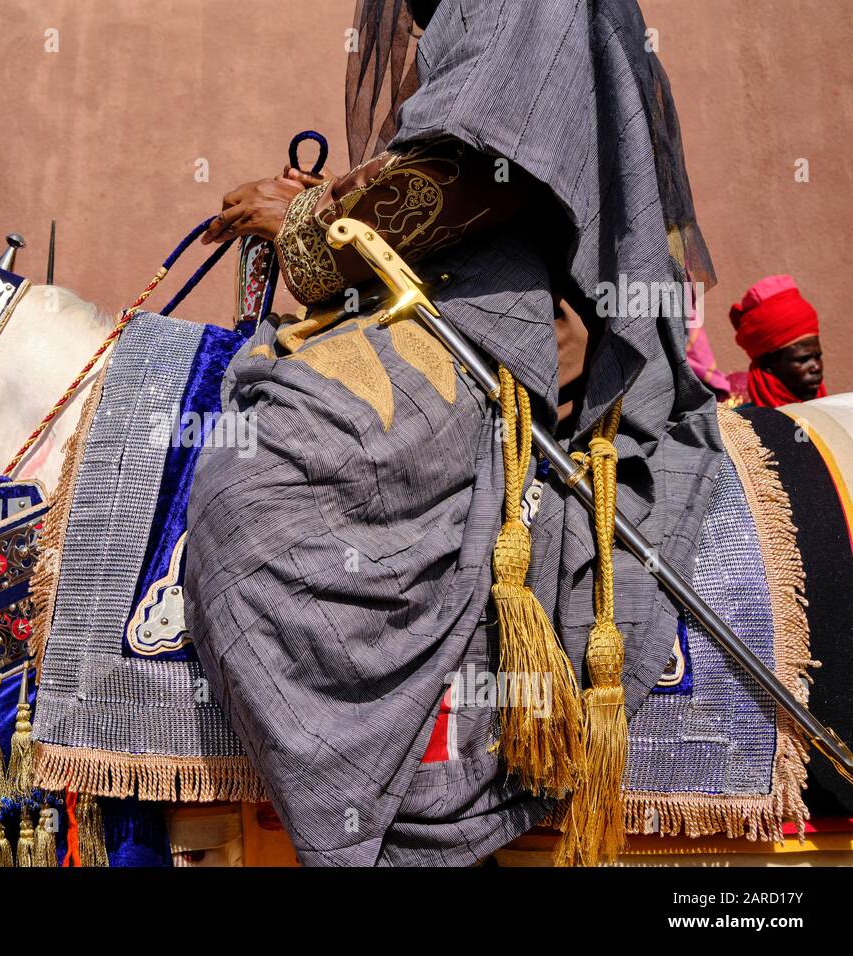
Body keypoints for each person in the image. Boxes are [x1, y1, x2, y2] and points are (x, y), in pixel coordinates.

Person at [187, 0, 722, 865]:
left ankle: (377, 819)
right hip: (428, 302)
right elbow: (451, 164)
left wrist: (305, 222)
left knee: (255, 489)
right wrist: (334, 201)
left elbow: (484, 183)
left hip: (492, 325)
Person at [727, 274, 824, 407]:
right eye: (803, 360)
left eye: (818, 357)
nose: (816, 367)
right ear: (768, 364)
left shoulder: (834, 413)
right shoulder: (742, 420)